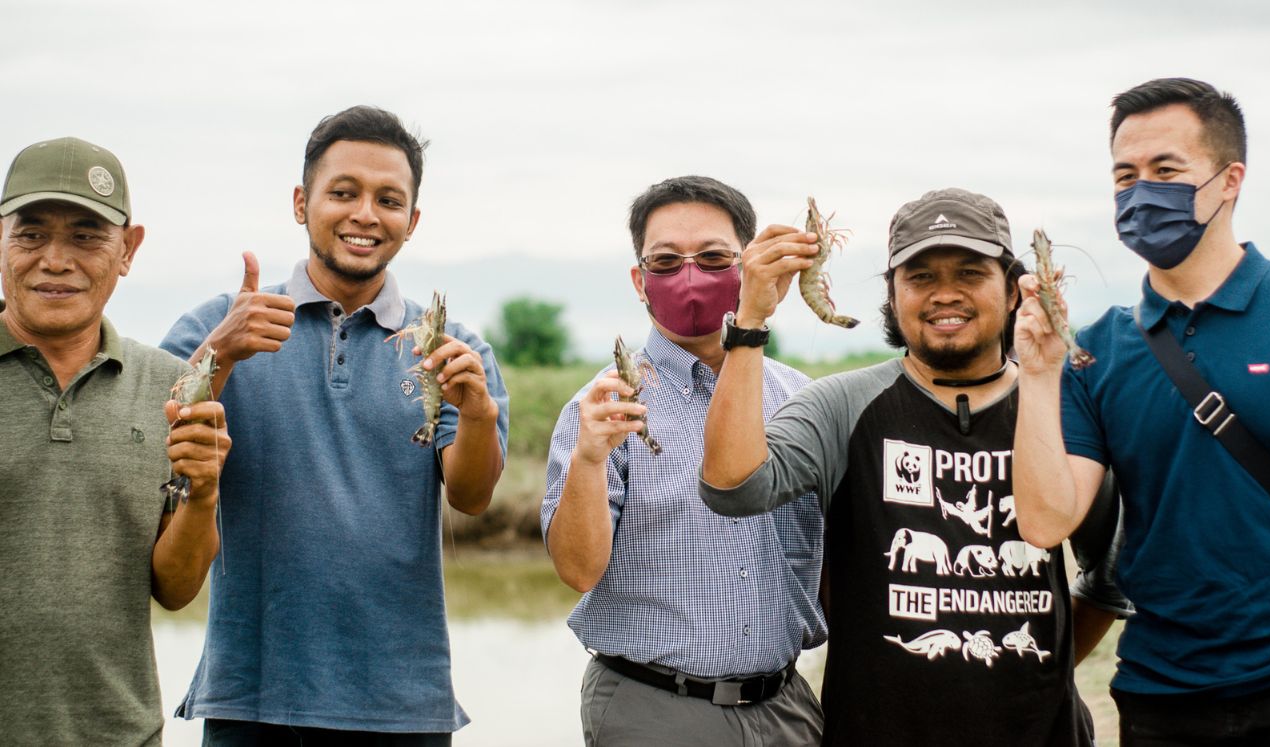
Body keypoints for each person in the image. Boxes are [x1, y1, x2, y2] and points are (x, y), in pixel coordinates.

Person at [701, 188, 1113, 746]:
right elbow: (733, 488)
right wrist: (749, 322)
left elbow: (1109, 576)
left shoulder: (1064, 406)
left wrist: (1036, 665)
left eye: (970, 272)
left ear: (1015, 289)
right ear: (892, 295)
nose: (946, 294)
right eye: (920, 278)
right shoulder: (840, 406)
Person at [160, 106, 509, 745]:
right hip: (250, 697)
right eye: (342, 193)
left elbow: (472, 494)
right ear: (301, 202)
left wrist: (480, 413)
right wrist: (222, 351)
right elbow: (159, 440)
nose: (365, 214)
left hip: (404, 702)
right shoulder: (221, 323)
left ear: (413, 221)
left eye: (389, 199)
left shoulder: (453, 348)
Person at [1013, 77, 1270, 744]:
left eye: (1166, 170)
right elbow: (1047, 519)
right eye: (1125, 176)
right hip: (1160, 695)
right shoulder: (1096, 351)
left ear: (1229, 180)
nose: (1140, 193)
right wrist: (1040, 376)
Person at [541, 175, 826, 746]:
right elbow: (577, 571)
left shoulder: (802, 403)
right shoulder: (600, 407)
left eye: (714, 257)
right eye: (666, 261)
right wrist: (590, 460)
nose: (689, 276)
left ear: (748, 265)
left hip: (786, 706)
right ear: (639, 281)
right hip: (653, 707)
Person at [0, 137, 229, 744]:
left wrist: (203, 493)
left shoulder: (170, 386)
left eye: (85, 235)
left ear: (128, 250)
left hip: (120, 734)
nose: (55, 260)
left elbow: (175, 590)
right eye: (31, 234)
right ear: (0, 239)